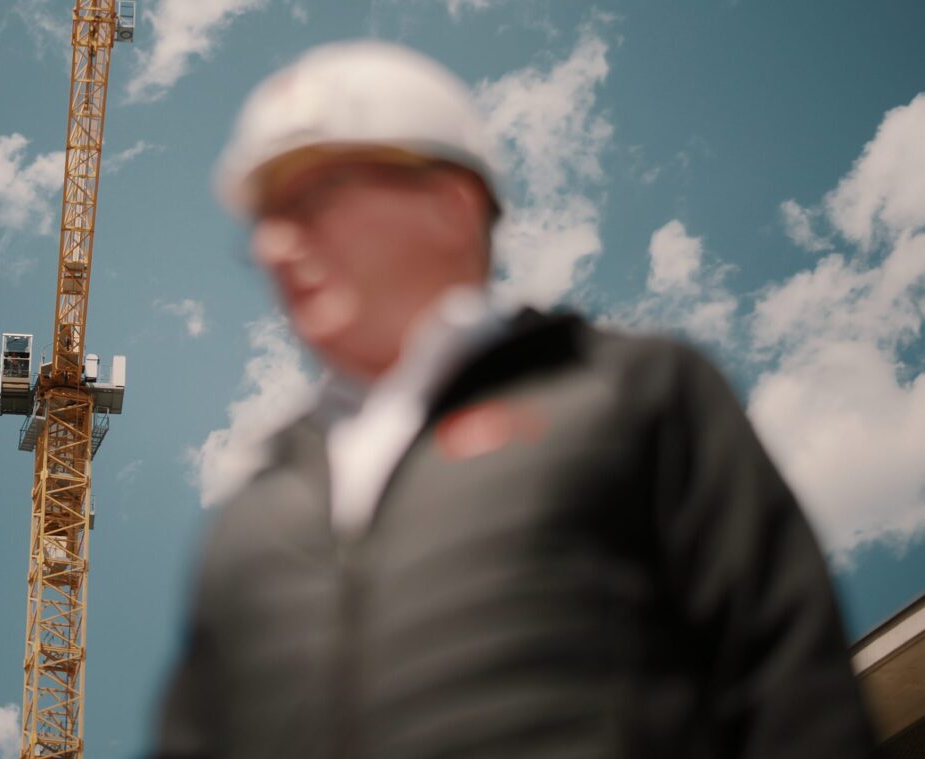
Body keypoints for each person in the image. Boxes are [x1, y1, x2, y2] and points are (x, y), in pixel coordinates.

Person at [153, 41, 875, 758]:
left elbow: (793, 697)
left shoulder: (633, 394)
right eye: (265, 222)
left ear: (450, 203)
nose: (276, 247)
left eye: (312, 198)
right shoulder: (247, 519)